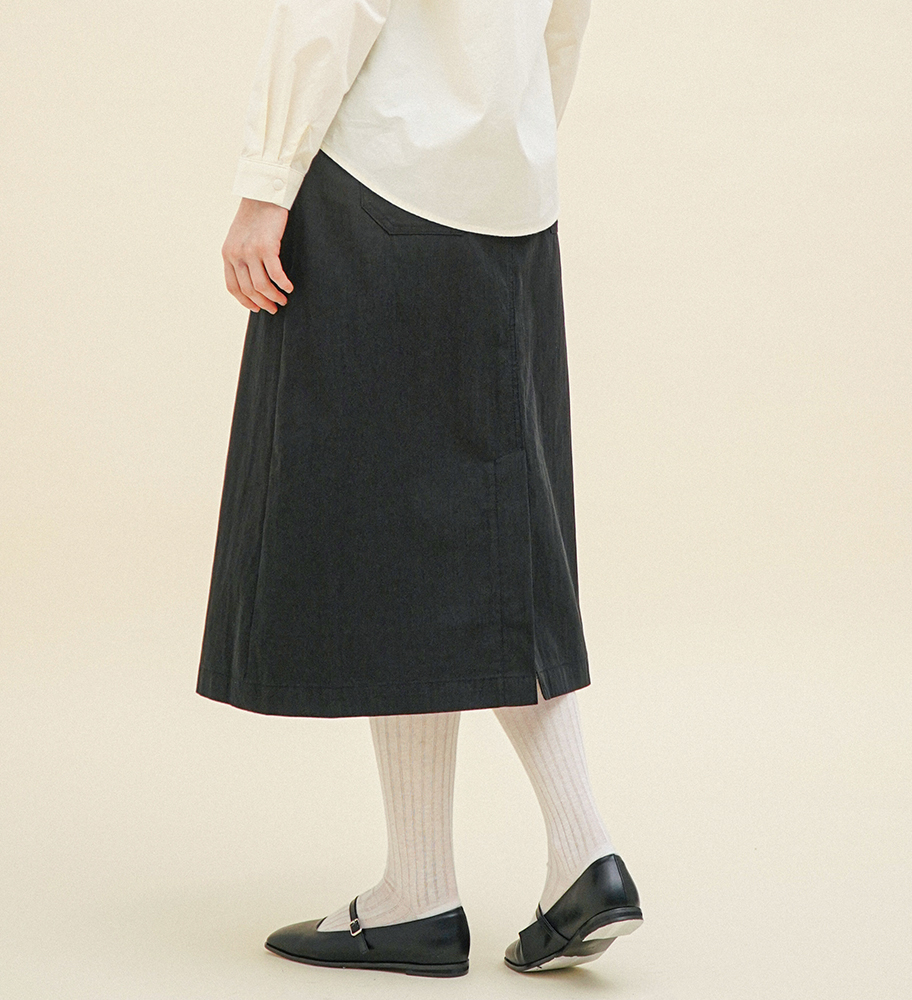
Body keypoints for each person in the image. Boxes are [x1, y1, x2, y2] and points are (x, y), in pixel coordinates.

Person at [196, 0, 644, 976]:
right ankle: (476, 876)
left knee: (394, 529)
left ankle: (500, 872)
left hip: (377, 178)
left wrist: (266, 182)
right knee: (487, 532)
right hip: (507, 195)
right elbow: (564, 21)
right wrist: (506, 138)